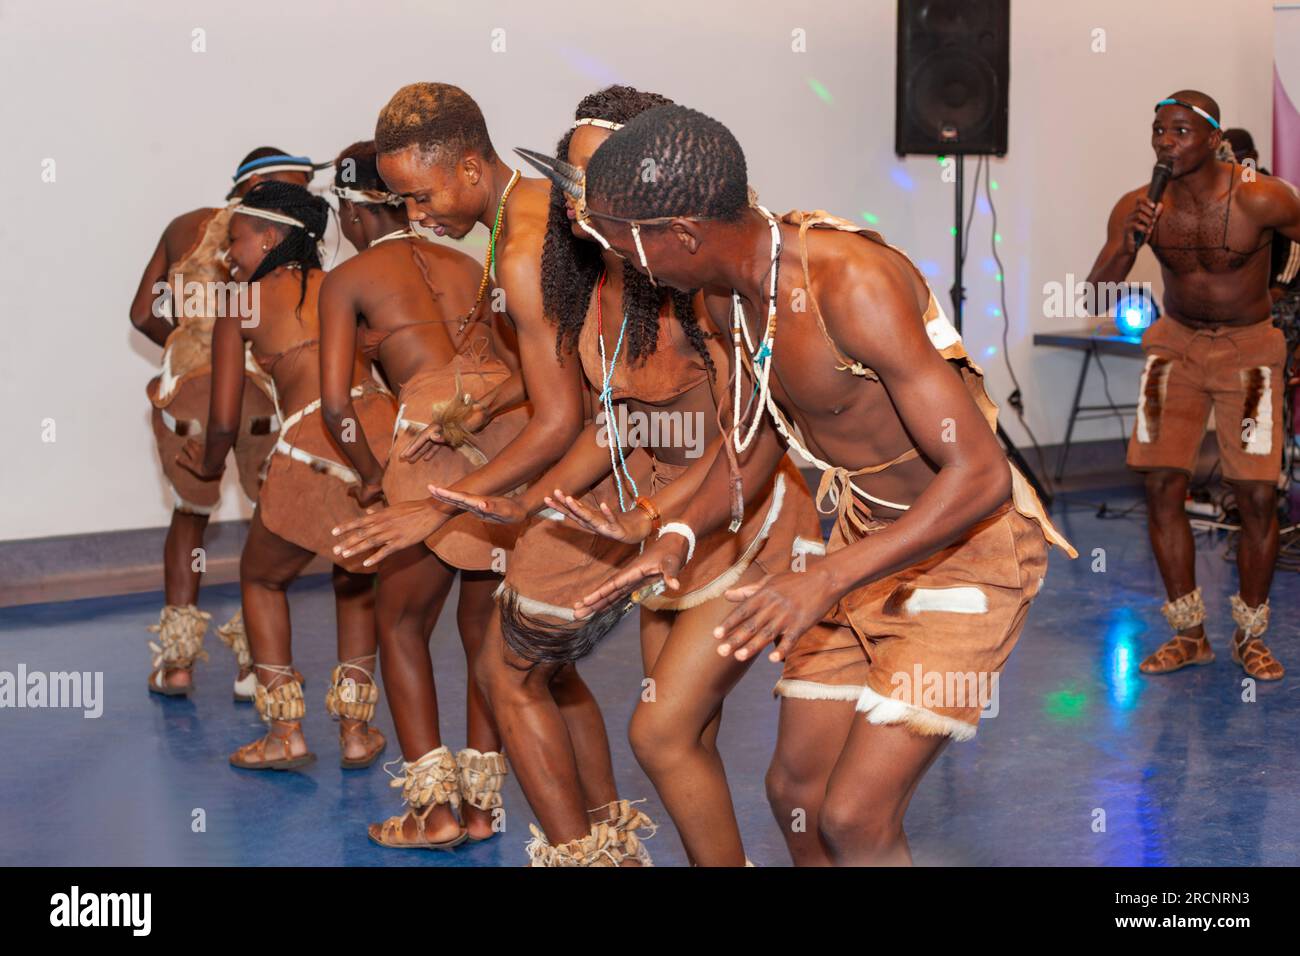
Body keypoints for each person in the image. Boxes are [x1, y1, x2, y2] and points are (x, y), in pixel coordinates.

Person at [567, 104, 1075, 865]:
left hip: (968, 553)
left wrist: (826, 576)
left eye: (621, 236)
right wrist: (673, 533)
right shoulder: (725, 295)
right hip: (864, 545)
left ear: (682, 232)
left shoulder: (849, 284)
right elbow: (753, 440)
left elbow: (981, 476)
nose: (615, 255)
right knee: (797, 795)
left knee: (854, 818)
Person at [432, 85, 824, 866]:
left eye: (600, 179)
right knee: (688, 736)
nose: (582, 199)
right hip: (666, 532)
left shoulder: (702, 287)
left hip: (743, 529)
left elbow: (753, 439)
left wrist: (663, 518)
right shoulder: (603, 276)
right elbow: (617, 422)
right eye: (575, 181)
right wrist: (530, 498)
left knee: (666, 735)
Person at [331, 83, 649, 865]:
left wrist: (437, 511)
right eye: (399, 199)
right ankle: (609, 837)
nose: (414, 213)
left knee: (512, 669)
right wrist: (486, 403)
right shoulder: (539, 206)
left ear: (471, 165)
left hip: (616, 463)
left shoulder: (516, 246)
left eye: (420, 193)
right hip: (631, 443)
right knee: (548, 666)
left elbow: (559, 420)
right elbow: (566, 370)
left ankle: (583, 852)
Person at [318, 140, 528, 846]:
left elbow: (337, 409)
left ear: (353, 209)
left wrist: (380, 484)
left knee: (401, 625)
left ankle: (433, 811)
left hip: (427, 445)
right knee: (483, 634)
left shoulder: (348, 278)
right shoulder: (473, 264)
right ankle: (481, 806)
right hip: (502, 437)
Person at [179, 181, 394, 770]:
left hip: (312, 442)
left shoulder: (242, 302)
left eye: (237, 240)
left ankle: (285, 733)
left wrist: (205, 464)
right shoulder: (344, 284)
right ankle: (356, 731)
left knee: (261, 579)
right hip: (378, 434)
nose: (229, 254)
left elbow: (223, 421)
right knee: (355, 574)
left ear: (272, 236)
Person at [1087, 91, 1300, 681]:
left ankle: (1250, 635)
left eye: (1180, 131)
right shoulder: (1139, 205)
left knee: (1257, 494)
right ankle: (1190, 634)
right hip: (1174, 346)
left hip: (1249, 349)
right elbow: (1094, 296)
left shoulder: (1260, 195)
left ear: (1212, 137)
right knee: (1161, 485)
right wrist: (1129, 244)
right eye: (1158, 131)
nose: (1165, 142)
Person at [129, 148, 314, 699]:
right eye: (291, 186)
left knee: (190, 517)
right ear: (254, 185)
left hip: (187, 398)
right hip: (258, 394)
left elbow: (142, 313)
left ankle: (178, 662)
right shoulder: (285, 237)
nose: (301, 200)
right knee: (270, 520)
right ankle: (257, 664)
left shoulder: (184, 226)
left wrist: (186, 351)